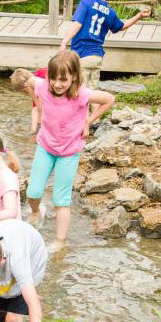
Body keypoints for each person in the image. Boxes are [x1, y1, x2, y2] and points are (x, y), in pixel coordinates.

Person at [26, 51, 115, 252]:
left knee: (61, 199)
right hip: (46, 147)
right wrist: (38, 105)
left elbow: (109, 99)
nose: (57, 84)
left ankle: (59, 241)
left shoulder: (82, 94)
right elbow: (28, 82)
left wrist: (88, 122)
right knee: (33, 191)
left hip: (69, 151)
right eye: (54, 79)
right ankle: (35, 210)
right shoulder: (42, 85)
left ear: (74, 77)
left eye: (63, 80)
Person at [59, 0, 151, 89]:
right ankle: (95, 107)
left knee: (80, 89)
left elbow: (77, 24)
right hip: (97, 57)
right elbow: (122, 26)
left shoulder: (85, 4)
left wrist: (64, 41)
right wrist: (139, 16)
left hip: (81, 55)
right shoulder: (110, 12)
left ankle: (82, 107)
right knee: (93, 91)